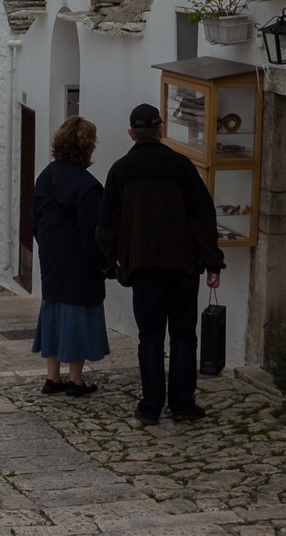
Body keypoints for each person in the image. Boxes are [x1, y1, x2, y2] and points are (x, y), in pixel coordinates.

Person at [97, 102, 225, 426]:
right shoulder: (181, 166)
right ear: (161, 130)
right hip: (182, 266)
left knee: (150, 338)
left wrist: (110, 263)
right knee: (183, 336)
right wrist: (213, 262)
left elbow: (106, 224)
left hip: (142, 268)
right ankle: (182, 405)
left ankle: (150, 407)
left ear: (131, 134)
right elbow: (202, 217)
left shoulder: (120, 171)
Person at [31, 116, 111, 397]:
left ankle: (52, 377)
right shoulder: (88, 187)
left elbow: (35, 220)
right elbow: (93, 233)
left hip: (53, 255)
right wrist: (104, 264)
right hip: (79, 260)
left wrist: (49, 246)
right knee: (78, 313)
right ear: (87, 148)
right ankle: (75, 380)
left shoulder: (47, 176)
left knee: (53, 309)